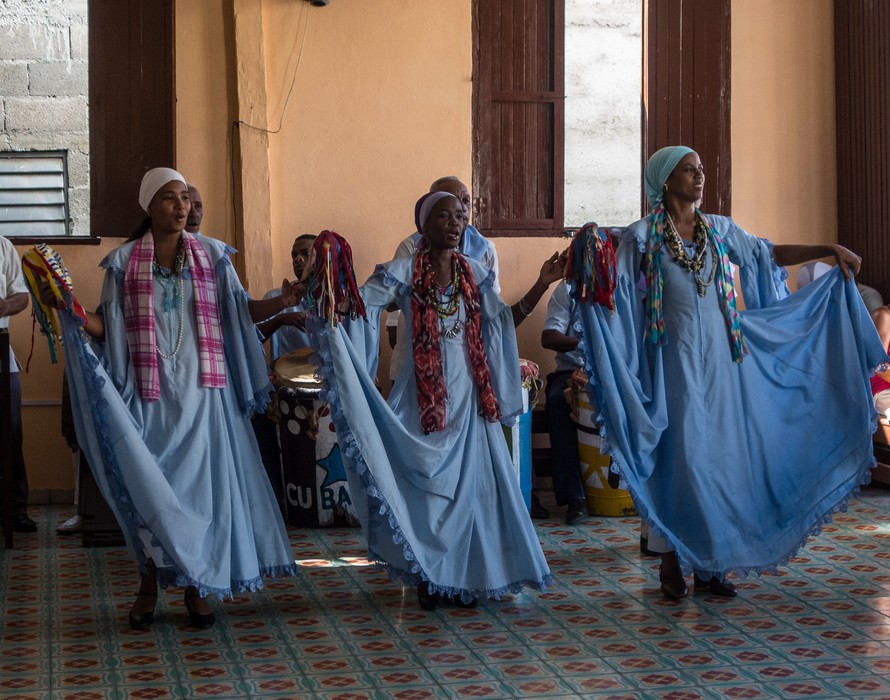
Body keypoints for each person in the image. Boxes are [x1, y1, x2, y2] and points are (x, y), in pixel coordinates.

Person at [572, 146, 885, 600]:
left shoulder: (719, 230)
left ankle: (712, 566)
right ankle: (670, 559)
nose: (700, 177)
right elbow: (611, 282)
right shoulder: (643, 237)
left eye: (701, 169)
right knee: (681, 463)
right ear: (664, 180)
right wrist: (590, 246)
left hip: (723, 366)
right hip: (672, 368)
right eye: (688, 170)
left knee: (719, 463)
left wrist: (828, 250)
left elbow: (768, 254)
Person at [42, 168, 298, 629]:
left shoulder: (215, 256)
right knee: (151, 494)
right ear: (148, 206)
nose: (181, 207)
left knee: (201, 497)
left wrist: (281, 302)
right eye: (169, 199)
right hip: (149, 398)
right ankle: (147, 585)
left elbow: (241, 313)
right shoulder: (121, 264)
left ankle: (199, 588)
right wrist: (71, 309)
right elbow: (109, 327)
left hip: (203, 402)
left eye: (185, 198)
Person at [308, 193, 552, 610]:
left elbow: (499, 324)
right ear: (425, 225)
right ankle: (430, 573)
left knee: (473, 495)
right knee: (426, 494)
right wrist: (334, 288)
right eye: (445, 215)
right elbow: (361, 308)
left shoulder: (475, 274)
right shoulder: (403, 272)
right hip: (421, 400)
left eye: (460, 216)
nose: (455, 223)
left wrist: (543, 283)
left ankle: (466, 577)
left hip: (471, 403)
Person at [386, 176, 565, 379]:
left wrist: (541, 284)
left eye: (465, 202)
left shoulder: (480, 257)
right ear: (428, 217)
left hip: (463, 370)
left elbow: (496, 318)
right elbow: (386, 305)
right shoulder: (410, 251)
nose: (460, 211)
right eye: (449, 206)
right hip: (414, 368)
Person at [540, 280, 587, 524]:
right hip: (571, 371)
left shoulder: (624, 283)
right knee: (558, 400)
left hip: (615, 373)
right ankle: (573, 497)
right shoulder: (568, 288)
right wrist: (585, 345)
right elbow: (549, 337)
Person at [0, 234, 36, 533]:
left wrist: (4, 306)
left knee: (11, 432)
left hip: (1, 355)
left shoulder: (3, 246)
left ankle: (15, 509)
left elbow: (22, 297)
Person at [257, 233, 316, 361]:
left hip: (328, 378)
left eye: (306, 253)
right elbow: (252, 337)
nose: (297, 259)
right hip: (285, 378)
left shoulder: (339, 300)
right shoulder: (275, 297)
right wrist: (279, 320)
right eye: (294, 255)